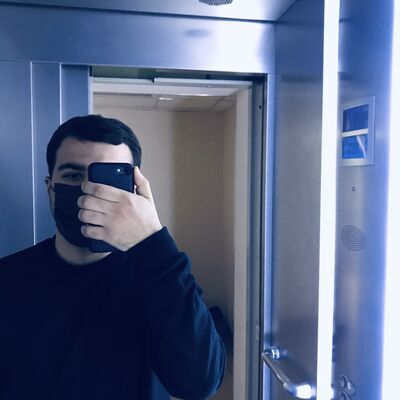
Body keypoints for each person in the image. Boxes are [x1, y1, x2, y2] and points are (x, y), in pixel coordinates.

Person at [0, 115, 225, 399]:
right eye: (72, 176)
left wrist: (153, 240)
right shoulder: (7, 278)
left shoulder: (159, 277)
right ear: (49, 188)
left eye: (105, 179)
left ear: (133, 192)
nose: (89, 193)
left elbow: (199, 383)